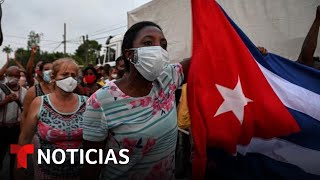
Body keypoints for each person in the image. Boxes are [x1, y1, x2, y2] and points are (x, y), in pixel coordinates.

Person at [81, 21, 190, 179]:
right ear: (129, 54)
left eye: (163, 44)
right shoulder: (100, 102)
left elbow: (197, 61)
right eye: (148, 43)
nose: (158, 49)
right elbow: (91, 164)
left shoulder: (168, 78)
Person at [18, 58, 87, 180]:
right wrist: (20, 169)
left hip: (80, 173)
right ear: (53, 77)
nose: (69, 79)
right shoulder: (39, 102)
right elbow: (24, 139)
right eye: (64, 75)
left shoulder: (86, 103)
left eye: (73, 75)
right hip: (46, 173)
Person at [0, 66, 27, 180]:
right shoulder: (0, 89)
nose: (15, 78)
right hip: (1, 129)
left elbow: (26, 110)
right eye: (12, 75)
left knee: (18, 160)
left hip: (17, 130)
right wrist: (5, 101)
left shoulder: (24, 91)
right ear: (6, 75)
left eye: (17, 75)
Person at [21, 61, 53, 127]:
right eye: (47, 69)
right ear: (41, 73)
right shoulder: (33, 91)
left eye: (53, 69)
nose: (50, 71)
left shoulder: (62, 90)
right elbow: (25, 115)